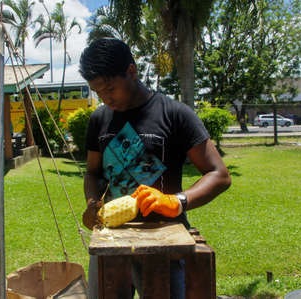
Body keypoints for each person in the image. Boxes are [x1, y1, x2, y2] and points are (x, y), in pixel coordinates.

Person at [80, 38, 231, 299]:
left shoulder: (174, 114)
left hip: (165, 244)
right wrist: (93, 201)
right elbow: (93, 172)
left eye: (110, 89)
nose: (105, 98)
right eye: (98, 92)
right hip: (111, 244)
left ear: (131, 71)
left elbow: (219, 175)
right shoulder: (99, 119)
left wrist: (177, 201)